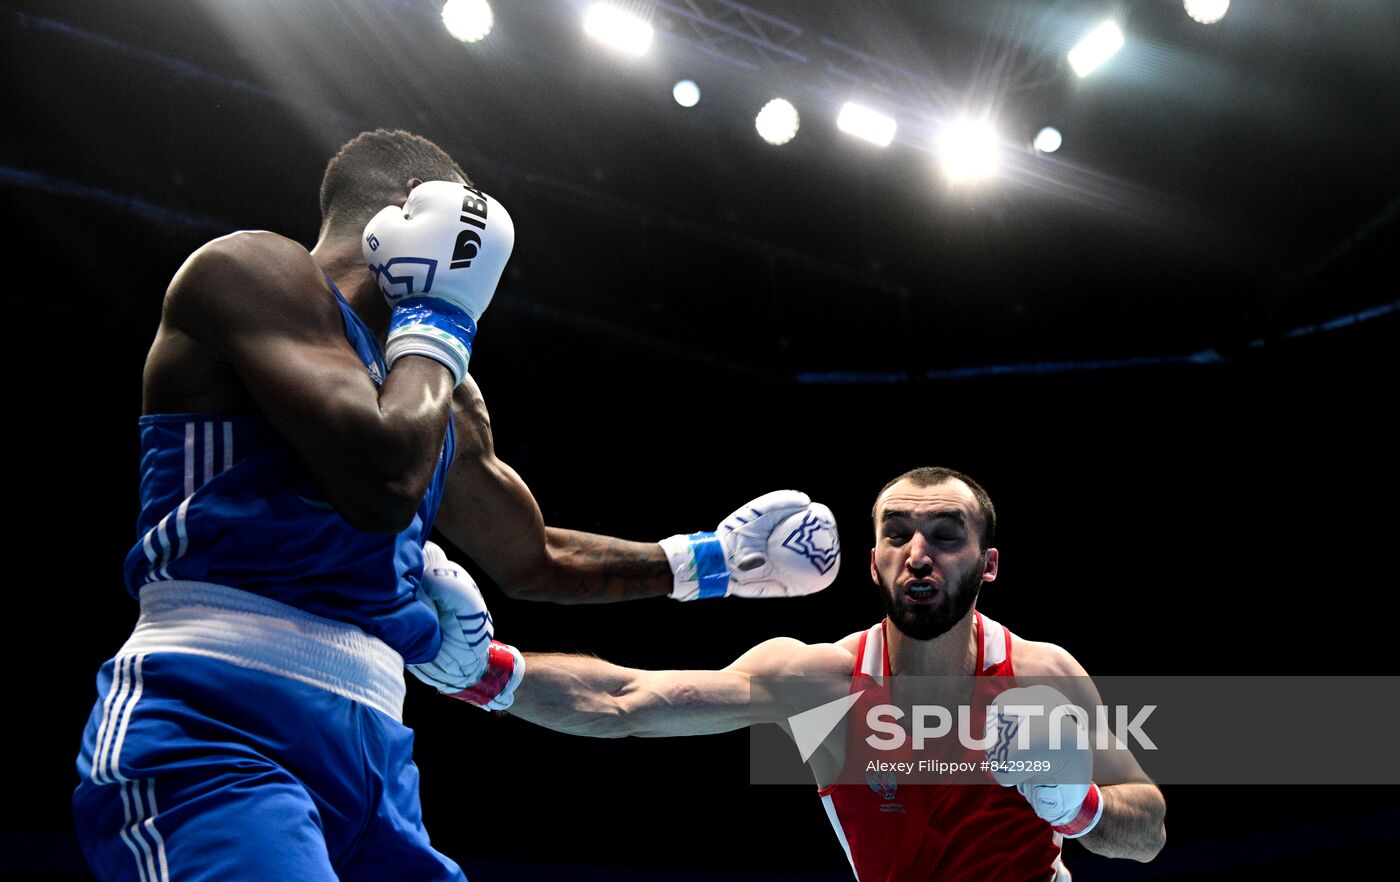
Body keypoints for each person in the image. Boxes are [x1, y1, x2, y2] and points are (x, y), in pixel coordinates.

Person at [73, 128, 840, 882]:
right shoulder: (252, 271)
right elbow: (381, 488)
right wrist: (440, 316)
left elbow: (530, 557)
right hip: (214, 722)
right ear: (416, 216)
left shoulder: (440, 391)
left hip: (375, 752)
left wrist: (711, 563)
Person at [505, 466, 1167, 881]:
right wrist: (481, 669)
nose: (918, 554)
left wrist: (1075, 805)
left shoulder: (1042, 675)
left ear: (988, 564)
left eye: (944, 533)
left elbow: (1148, 834)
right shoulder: (816, 682)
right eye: (898, 534)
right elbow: (626, 697)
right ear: (873, 561)